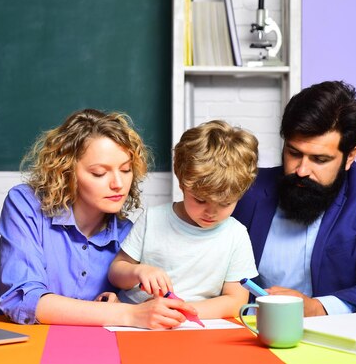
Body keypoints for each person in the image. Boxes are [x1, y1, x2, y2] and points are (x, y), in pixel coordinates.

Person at [0, 108, 198, 329]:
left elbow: (125, 303)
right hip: (7, 341)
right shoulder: (26, 205)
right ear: (66, 172)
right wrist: (126, 314)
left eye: (126, 170)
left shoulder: (128, 235)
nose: (118, 184)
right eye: (99, 173)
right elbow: (22, 301)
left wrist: (121, 302)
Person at [232, 80, 356, 317]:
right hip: (253, 335)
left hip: (334, 342)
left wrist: (318, 308)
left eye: (320, 159)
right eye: (294, 153)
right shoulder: (248, 187)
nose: (302, 170)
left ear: (350, 156)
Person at [108, 120, 259, 319]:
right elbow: (115, 273)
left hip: (193, 325)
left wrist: (178, 310)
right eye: (200, 200)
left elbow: (235, 302)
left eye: (225, 204)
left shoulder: (236, 235)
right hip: (139, 321)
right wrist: (138, 271)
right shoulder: (153, 218)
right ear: (181, 182)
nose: (211, 213)